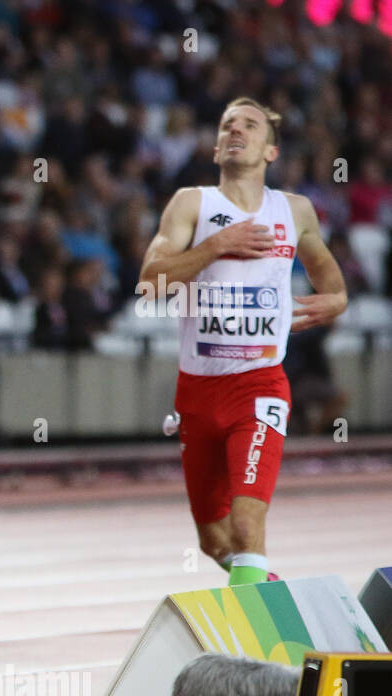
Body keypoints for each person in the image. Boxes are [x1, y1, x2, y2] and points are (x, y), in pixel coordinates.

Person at [138, 97, 347, 584]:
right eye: (228, 125)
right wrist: (216, 245)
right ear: (215, 150)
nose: (236, 131)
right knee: (215, 540)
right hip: (196, 392)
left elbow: (331, 281)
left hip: (259, 388)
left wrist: (335, 301)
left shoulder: (294, 211)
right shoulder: (192, 203)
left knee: (249, 525)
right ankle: (275, 600)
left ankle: (249, 651)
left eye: (250, 126)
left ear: (270, 152)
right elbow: (149, 282)